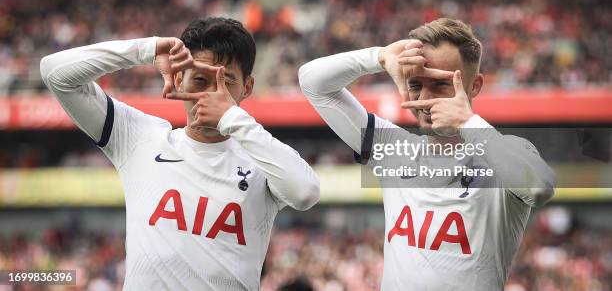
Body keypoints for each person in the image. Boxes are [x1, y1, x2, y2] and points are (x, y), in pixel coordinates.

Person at [40, 17, 320, 290]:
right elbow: (55, 73)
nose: (211, 94)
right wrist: (145, 50)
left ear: (247, 88)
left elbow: (306, 192)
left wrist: (232, 117)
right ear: (178, 79)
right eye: (200, 79)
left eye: (227, 82)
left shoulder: (260, 160)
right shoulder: (140, 137)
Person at [299, 18, 555, 290]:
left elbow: (540, 187)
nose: (425, 97)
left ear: (475, 86)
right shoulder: (391, 147)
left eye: (441, 84)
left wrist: (467, 123)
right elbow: (313, 83)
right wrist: (379, 56)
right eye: (416, 84)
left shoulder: (503, 152)